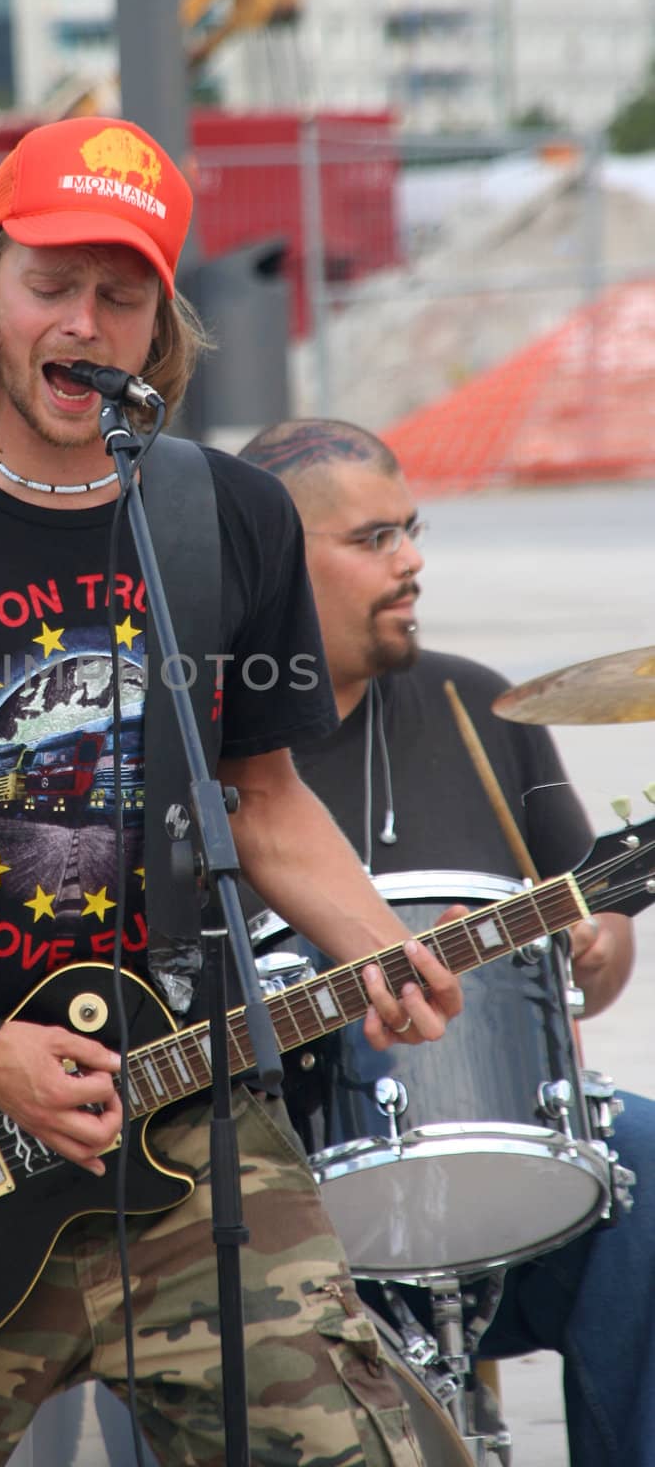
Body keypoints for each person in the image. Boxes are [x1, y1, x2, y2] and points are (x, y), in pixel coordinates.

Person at [0, 115, 465, 1467]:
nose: (83, 321)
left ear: (157, 325)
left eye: (119, 296)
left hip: (185, 1122)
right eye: (50, 284)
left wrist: (376, 941)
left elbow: (261, 795)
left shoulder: (224, 518)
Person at [239, 416, 655, 1467]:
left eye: (410, 530)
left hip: (497, 1150)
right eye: (373, 538)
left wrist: (599, 944)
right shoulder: (204, 739)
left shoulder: (479, 703)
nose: (411, 560)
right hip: (281, 1184)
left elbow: (588, 923)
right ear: (276, 569)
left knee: (649, 1162)